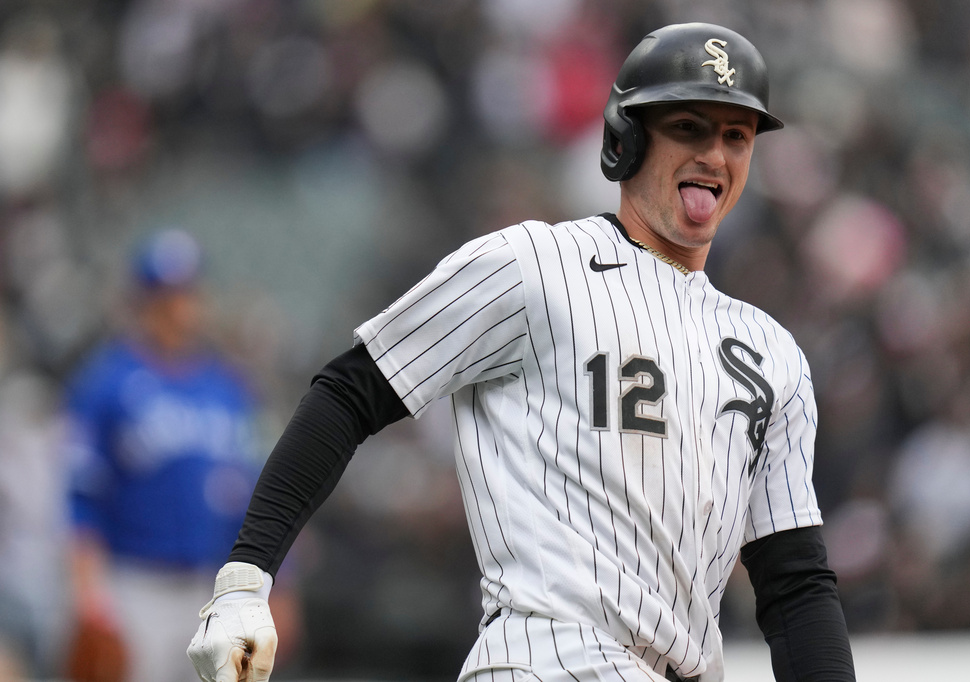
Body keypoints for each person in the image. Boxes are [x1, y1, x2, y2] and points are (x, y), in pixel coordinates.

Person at [187, 23, 857, 682]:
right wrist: (248, 577)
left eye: (735, 136)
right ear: (627, 139)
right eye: (689, 126)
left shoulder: (773, 354)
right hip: (547, 661)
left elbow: (794, 582)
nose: (715, 153)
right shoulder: (534, 264)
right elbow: (350, 392)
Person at [64, 229, 265, 682]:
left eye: (188, 293)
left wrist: (279, 586)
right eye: (167, 295)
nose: (180, 306)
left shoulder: (229, 390)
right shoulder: (105, 384)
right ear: (142, 301)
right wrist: (89, 597)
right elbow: (81, 498)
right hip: (134, 584)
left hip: (214, 589)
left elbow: (258, 496)